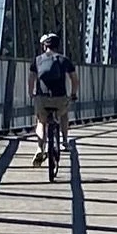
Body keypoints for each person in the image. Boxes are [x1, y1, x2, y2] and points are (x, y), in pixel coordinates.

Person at [28, 34, 79, 165]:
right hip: (60, 98)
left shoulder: (38, 60)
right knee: (63, 114)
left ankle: (40, 148)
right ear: (58, 46)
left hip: (42, 98)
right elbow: (74, 79)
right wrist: (73, 94)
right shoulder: (64, 60)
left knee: (41, 121)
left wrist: (31, 93)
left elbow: (31, 78)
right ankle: (65, 141)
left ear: (45, 46)